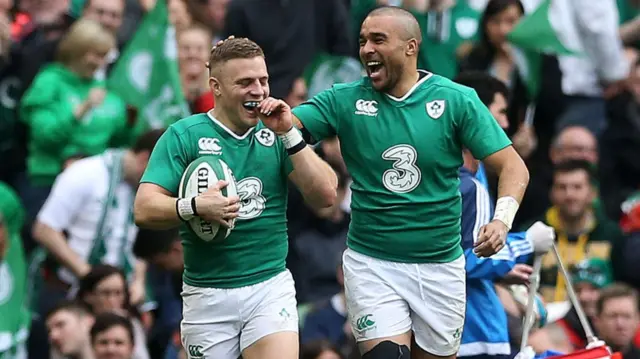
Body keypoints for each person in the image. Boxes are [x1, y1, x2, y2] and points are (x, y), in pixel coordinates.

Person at [289, 6, 530, 359]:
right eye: (362, 40)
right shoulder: (345, 99)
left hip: (440, 267)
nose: (367, 49)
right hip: (373, 263)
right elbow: (286, 128)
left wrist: (502, 220)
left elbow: (513, 166)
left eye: (378, 39)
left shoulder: (455, 99)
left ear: (410, 47)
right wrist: (275, 121)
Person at [133, 36, 338, 359]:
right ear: (216, 86)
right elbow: (144, 208)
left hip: (269, 285)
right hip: (207, 293)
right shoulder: (183, 136)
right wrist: (196, 206)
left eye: (263, 80)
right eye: (245, 82)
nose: (258, 90)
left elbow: (326, 195)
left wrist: (289, 134)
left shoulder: (278, 132)